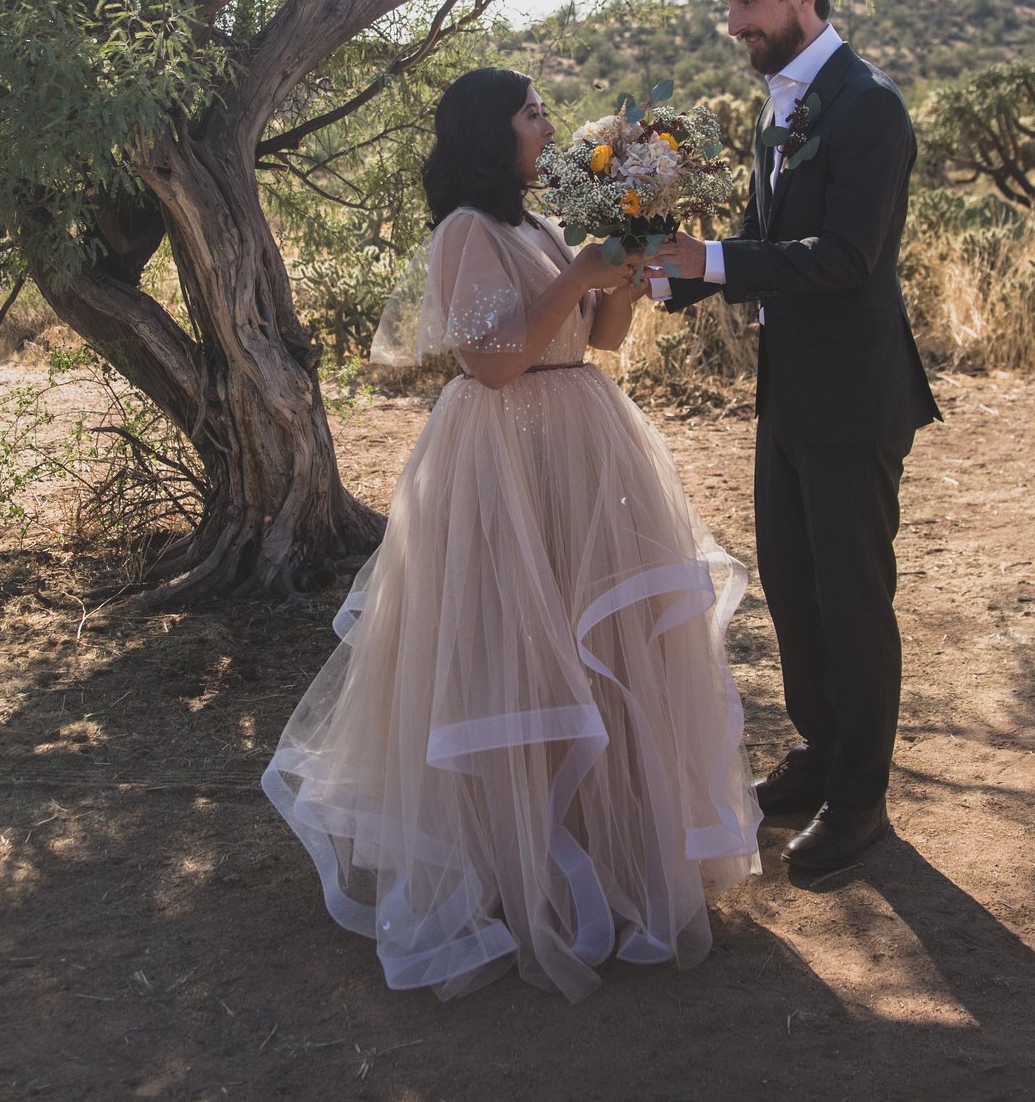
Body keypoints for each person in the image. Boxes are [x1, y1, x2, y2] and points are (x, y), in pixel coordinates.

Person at [264, 67, 762, 1001]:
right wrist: (580, 268)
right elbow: (491, 363)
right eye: (531, 114)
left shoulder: (540, 226)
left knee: (593, 649)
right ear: (491, 135)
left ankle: (597, 857)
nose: (547, 126)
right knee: (512, 644)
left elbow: (599, 338)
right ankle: (507, 866)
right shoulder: (465, 232)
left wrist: (623, 266)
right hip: (504, 455)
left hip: (582, 445)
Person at [646, 0, 941, 875]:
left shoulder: (870, 108)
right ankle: (820, 754)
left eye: (747, 2)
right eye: (729, 2)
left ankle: (862, 801)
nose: (733, 22)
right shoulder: (784, 107)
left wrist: (720, 259)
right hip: (789, 395)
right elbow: (754, 236)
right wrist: (653, 274)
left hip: (855, 397)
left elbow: (849, 257)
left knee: (855, 597)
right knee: (795, 585)